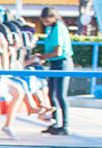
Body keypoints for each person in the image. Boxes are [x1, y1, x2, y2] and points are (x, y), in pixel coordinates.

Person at [36, 7, 73, 135]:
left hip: (62, 63)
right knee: (51, 93)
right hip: (54, 63)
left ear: (54, 17)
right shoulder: (51, 29)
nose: (45, 23)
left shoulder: (58, 28)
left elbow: (58, 51)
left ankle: (65, 125)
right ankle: (55, 122)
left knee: (60, 95)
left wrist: (43, 57)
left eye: (47, 20)